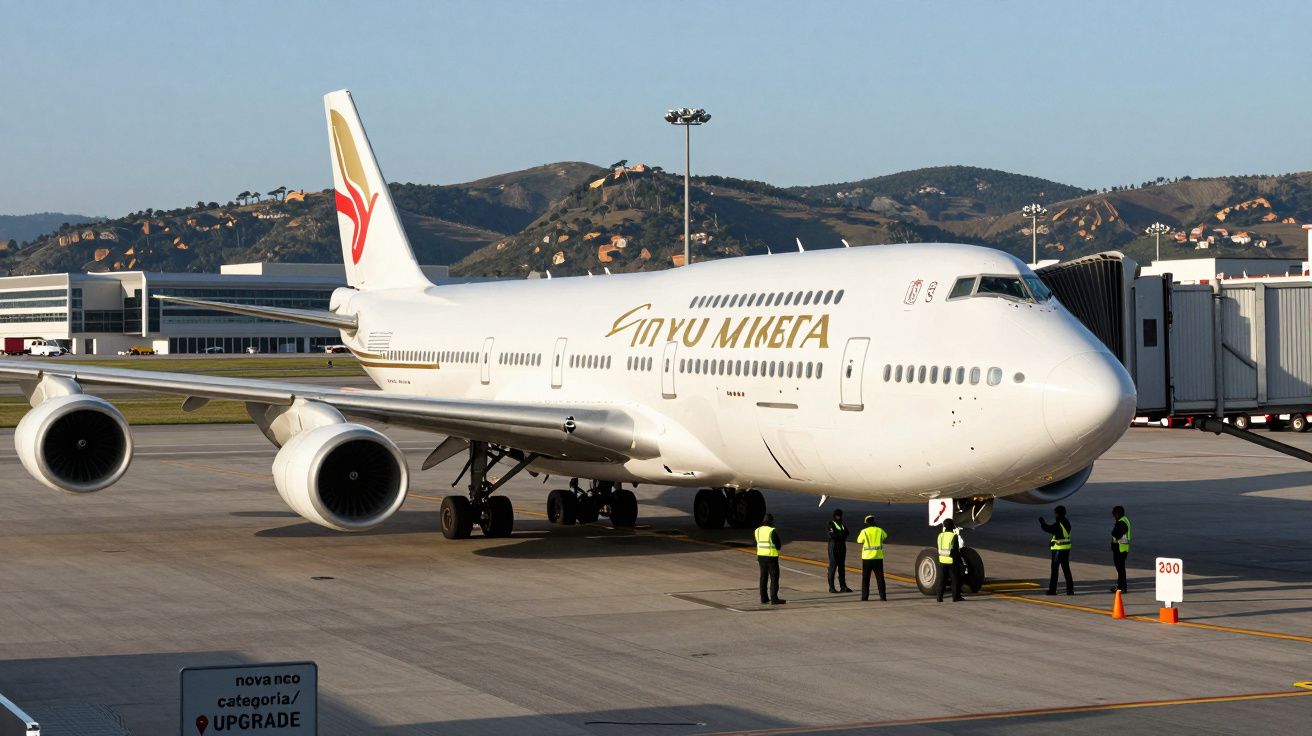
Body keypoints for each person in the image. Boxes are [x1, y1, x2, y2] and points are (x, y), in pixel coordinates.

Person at [1040, 505, 1074, 595]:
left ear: (1057, 513)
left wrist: (1042, 523)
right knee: (1066, 569)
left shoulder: (1059, 523)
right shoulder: (1067, 522)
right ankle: (1070, 590)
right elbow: (1059, 534)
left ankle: (1052, 590)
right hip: (1066, 549)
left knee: (1055, 570)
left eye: (1055, 512)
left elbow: (1049, 529)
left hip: (1058, 550)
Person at [754, 513, 786, 605]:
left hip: (761, 557)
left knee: (763, 577)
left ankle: (763, 597)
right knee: (774, 578)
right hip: (771, 557)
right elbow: (778, 545)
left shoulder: (757, 530)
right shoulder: (772, 531)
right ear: (771, 521)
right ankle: (774, 598)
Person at [856, 515, 888, 601]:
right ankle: (883, 596)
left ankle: (865, 597)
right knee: (880, 578)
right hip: (878, 557)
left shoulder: (864, 531)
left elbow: (859, 541)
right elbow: (885, 536)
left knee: (866, 578)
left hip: (867, 558)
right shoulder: (880, 530)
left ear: (867, 523)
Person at [935, 519, 964, 602]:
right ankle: (955, 597)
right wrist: (960, 562)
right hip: (951, 561)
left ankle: (939, 598)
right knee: (955, 579)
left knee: (942, 580)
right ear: (952, 526)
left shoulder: (940, 536)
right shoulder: (953, 536)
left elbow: (938, 548)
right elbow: (956, 550)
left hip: (942, 560)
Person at [827, 509, 853, 593]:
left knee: (841, 567)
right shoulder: (831, 524)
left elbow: (847, 533)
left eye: (840, 515)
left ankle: (843, 586)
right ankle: (831, 587)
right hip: (833, 547)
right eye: (838, 515)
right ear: (834, 516)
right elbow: (832, 535)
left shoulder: (842, 525)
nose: (839, 517)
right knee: (833, 567)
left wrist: (840, 535)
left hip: (842, 547)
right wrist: (841, 535)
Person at [1109, 506, 1131, 593]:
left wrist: (1114, 533)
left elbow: (1117, 534)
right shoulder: (1125, 520)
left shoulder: (1121, 523)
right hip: (1124, 548)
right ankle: (1120, 586)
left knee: (1120, 569)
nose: (1113, 516)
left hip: (1119, 549)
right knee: (1121, 569)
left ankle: (1122, 587)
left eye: (1114, 514)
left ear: (1117, 514)